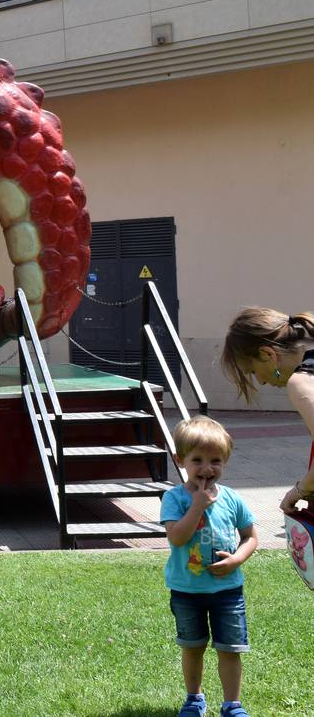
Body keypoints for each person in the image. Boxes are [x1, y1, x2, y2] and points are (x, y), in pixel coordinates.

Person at [159, 417, 256, 717]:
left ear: (225, 461)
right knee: (193, 647)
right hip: (187, 590)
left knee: (230, 649)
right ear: (180, 460)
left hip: (228, 590)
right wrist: (198, 505)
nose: (207, 468)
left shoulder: (232, 499)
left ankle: (232, 705)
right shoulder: (174, 498)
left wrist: (237, 559)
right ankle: (194, 699)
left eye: (215, 460)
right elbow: (176, 537)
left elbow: (250, 537)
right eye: (197, 460)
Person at [220, 307, 314, 516]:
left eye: (253, 371)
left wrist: (298, 491)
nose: (261, 380)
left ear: (267, 354)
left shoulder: (301, 381)